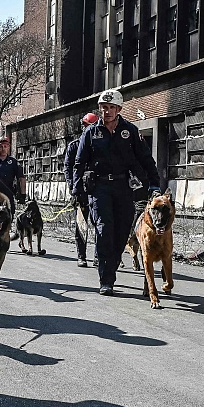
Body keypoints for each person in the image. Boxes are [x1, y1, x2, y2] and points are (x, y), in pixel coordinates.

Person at [73, 89, 160, 296]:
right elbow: (79, 163)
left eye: (112, 107)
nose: (108, 111)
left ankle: (111, 265)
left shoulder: (129, 131)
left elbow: (145, 160)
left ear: (119, 109)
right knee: (104, 230)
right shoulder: (91, 133)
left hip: (123, 187)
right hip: (99, 188)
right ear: (100, 109)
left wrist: (154, 184)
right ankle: (107, 279)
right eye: (104, 107)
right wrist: (77, 189)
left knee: (121, 232)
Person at [63, 112, 98, 267]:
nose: (88, 129)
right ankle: (81, 256)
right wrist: (73, 188)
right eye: (86, 126)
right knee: (81, 224)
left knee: (100, 224)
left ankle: (98, 256)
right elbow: (68, 169)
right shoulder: (74, 146)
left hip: (97, 190)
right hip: (81, 191)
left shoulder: (100, 146)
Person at [0, 136, 27, 211]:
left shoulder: (13, 162)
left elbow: (22, 178)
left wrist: (23, 194)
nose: (3, 149)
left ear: (8, 147)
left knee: (9, 217)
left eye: (5, 146)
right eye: (0, 146)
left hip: (8, 194)